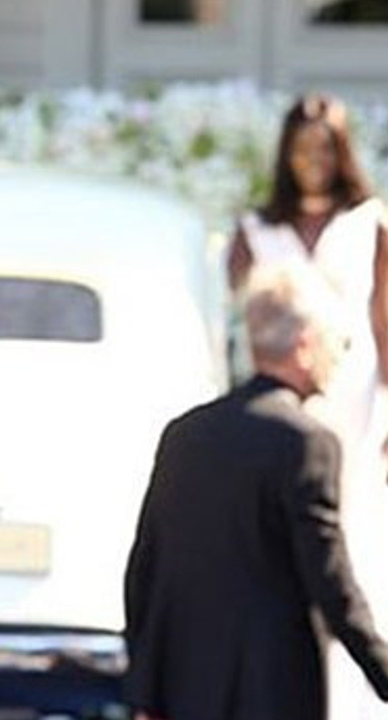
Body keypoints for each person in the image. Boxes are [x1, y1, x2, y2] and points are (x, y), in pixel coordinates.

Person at [123, 262, 388, 720]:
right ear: (305, 345)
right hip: (272, 692)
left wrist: (146, 690)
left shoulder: (184, 434)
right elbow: (331, 584)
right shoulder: (306, 442)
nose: (339, 357)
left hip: (184, 693)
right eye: (337, 342)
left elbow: (143, 572)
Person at [227, 93, 388, 719]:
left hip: (352, 411)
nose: (313, 162)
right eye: (302, 150)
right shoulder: (256, 230)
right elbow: (237, 331)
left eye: (324, 149)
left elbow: (385, 326)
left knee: (352, 545)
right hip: (278, 413)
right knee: (278, 548)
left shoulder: (367, 223)